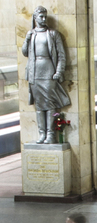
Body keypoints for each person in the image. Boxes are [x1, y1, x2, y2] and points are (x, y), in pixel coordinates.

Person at [21, 6, 71, 144]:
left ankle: (50, 134)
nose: (43, 19)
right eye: (41, 16)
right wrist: (26, 39)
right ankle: (41, 134)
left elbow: (61, 55)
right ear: (35, 18)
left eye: (45, 16)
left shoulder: (53, 34)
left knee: (50, 104)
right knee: (39, 106)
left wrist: (59, 71)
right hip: (35, 72)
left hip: (49, 71)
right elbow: (25, 53)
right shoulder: (31, 34)